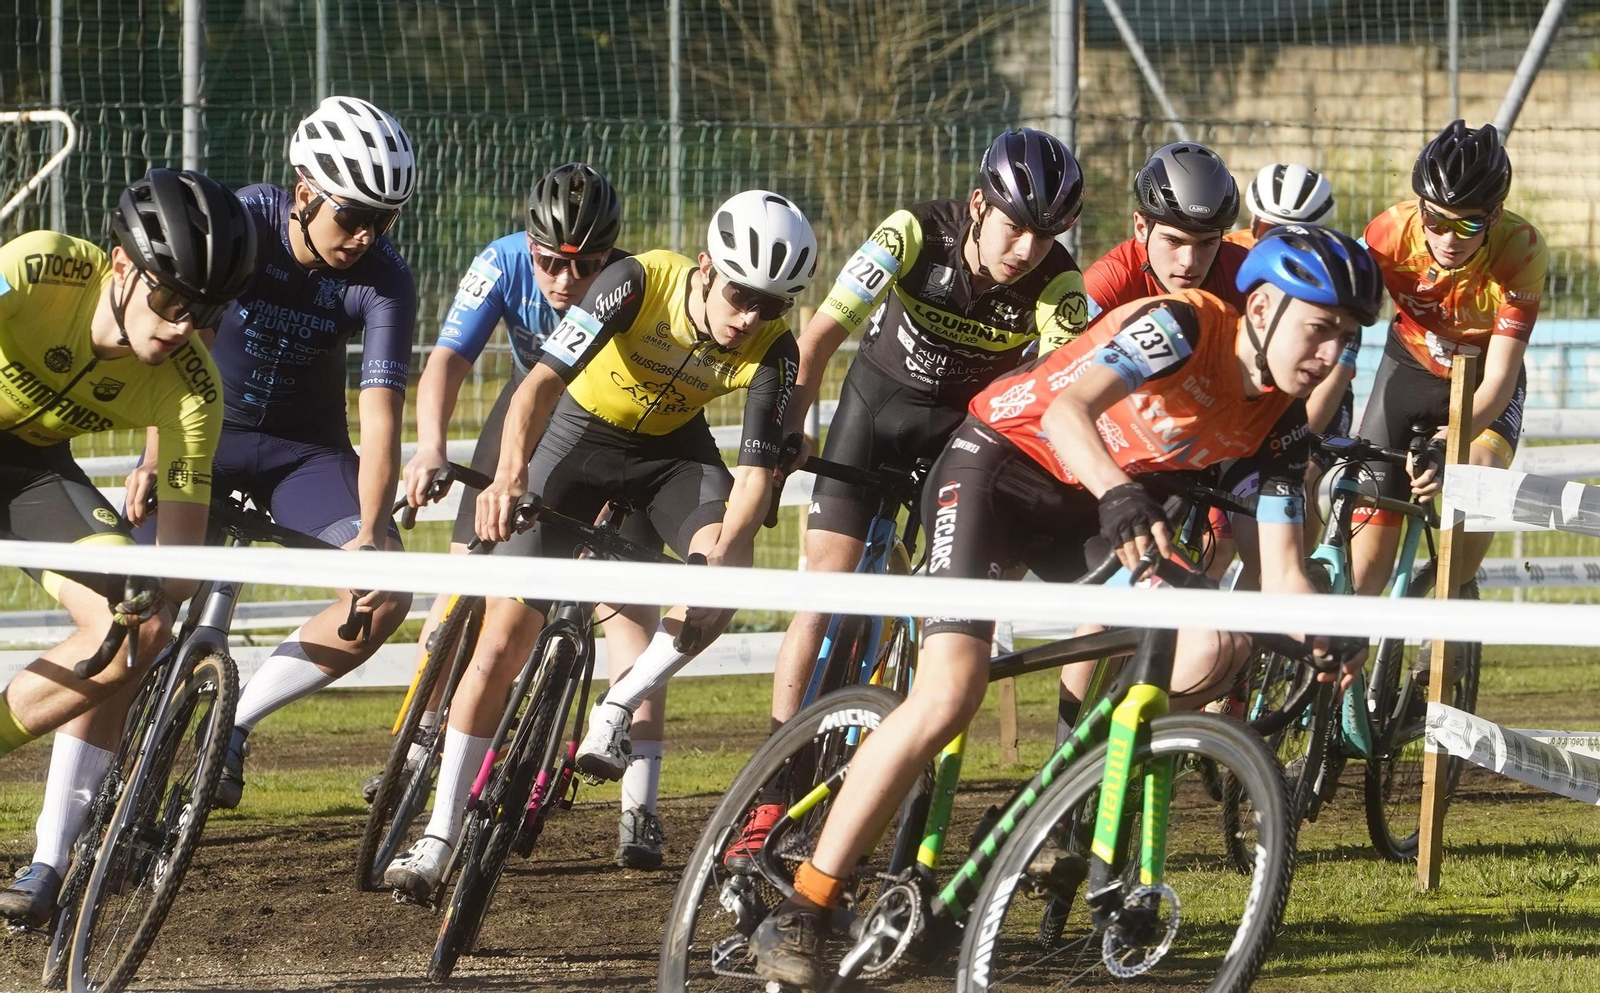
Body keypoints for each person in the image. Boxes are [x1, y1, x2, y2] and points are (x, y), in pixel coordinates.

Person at [746, 224, 1383, 987]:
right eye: (1320, 329)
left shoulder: (1279, 424)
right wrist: (1118, 493)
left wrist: (1328, 634)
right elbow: (1067, 412)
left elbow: (1282, 572)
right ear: (1266, 305)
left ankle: (1041, 807)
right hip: (998, 468)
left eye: (1348, 340)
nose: (1332, 357)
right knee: (951, 688)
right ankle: (807, 903)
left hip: (1091, 507)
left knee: (1212, 649)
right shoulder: (1182, 325)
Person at [381, 190, 811, 896]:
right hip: (576, 440)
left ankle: (616, 707)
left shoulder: (774, 348)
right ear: (705, 268)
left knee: (731, 567)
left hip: (673, 456)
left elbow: (757, 481)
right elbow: (537, 387)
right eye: (739, 295)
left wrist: (721, 560)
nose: (748, 319)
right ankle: (436, 838)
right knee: (500, 643)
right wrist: (508, 477)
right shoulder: (637, 281)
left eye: (770, 306)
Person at [737, 128, 1090, 869]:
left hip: (959, 437)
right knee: (823, 591)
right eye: (1015, 225)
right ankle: (772, 786)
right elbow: (824, 331)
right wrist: (788, 428)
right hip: (877, 413)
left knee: (944, 604)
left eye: (1045, 234)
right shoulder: (912, 233)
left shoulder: (1060, 283)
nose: (1026, 247)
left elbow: (1065, 382)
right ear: (976, 206)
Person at [125, 96, 421, 810]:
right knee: (140, 601)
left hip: (304, 456)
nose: (363, 238)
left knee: (384, 597)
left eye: (381, 222)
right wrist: (152, 455)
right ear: (304, 192)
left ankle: (234, 719)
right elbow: (178, 345)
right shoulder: (241, 225)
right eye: (351, 216)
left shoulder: (385, 279)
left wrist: (374, 532)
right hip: (207, 437)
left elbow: (378, 411)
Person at [385, 162, 668, 867]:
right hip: (523, 415)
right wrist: (428, 448)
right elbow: (448, 359)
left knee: (634, 615)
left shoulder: (632, 285)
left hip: (613, 430)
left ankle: (642, 811)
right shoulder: (500, 263)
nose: (565, 281)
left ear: (612, 255)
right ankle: (423, 740)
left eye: (586, 265)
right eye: (549, 262)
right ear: (527, 243)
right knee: (462, 592)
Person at [0, 169, 255, 927]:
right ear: (120, 266)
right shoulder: (41, 264)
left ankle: (51, 855)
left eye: (205, 310)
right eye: (172, 300)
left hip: (31, 472)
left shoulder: (192, 390)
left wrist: (154, 599)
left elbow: (176, 569)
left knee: (135, 625)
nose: (184, 325)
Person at [1351, 120, 1547, 600]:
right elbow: (1341, 320)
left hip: (1483, 379)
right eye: (1436, 220)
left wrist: (1449, 442)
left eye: (1468, 223)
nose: (1448, 237)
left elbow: (1500, 375)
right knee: (1366, 569)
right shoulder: (1389, 233)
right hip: (1410, 367)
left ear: (1495, 215)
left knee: (1477, 477)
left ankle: (1451, 604)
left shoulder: (1521, 249)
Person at [1083, 141, 1245, 323]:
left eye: (1207, 243)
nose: (1189, 262)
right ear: (1141, 229)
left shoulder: (1243, 272)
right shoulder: (1110, 281)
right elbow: (1062, 352)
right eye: (1174, 241)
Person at [1226, 162, 1335, 249]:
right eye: (1267, 230)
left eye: (1294, 236)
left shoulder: (1335, 259)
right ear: (1253, 221)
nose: (1279, 244)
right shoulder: (1230, 251)